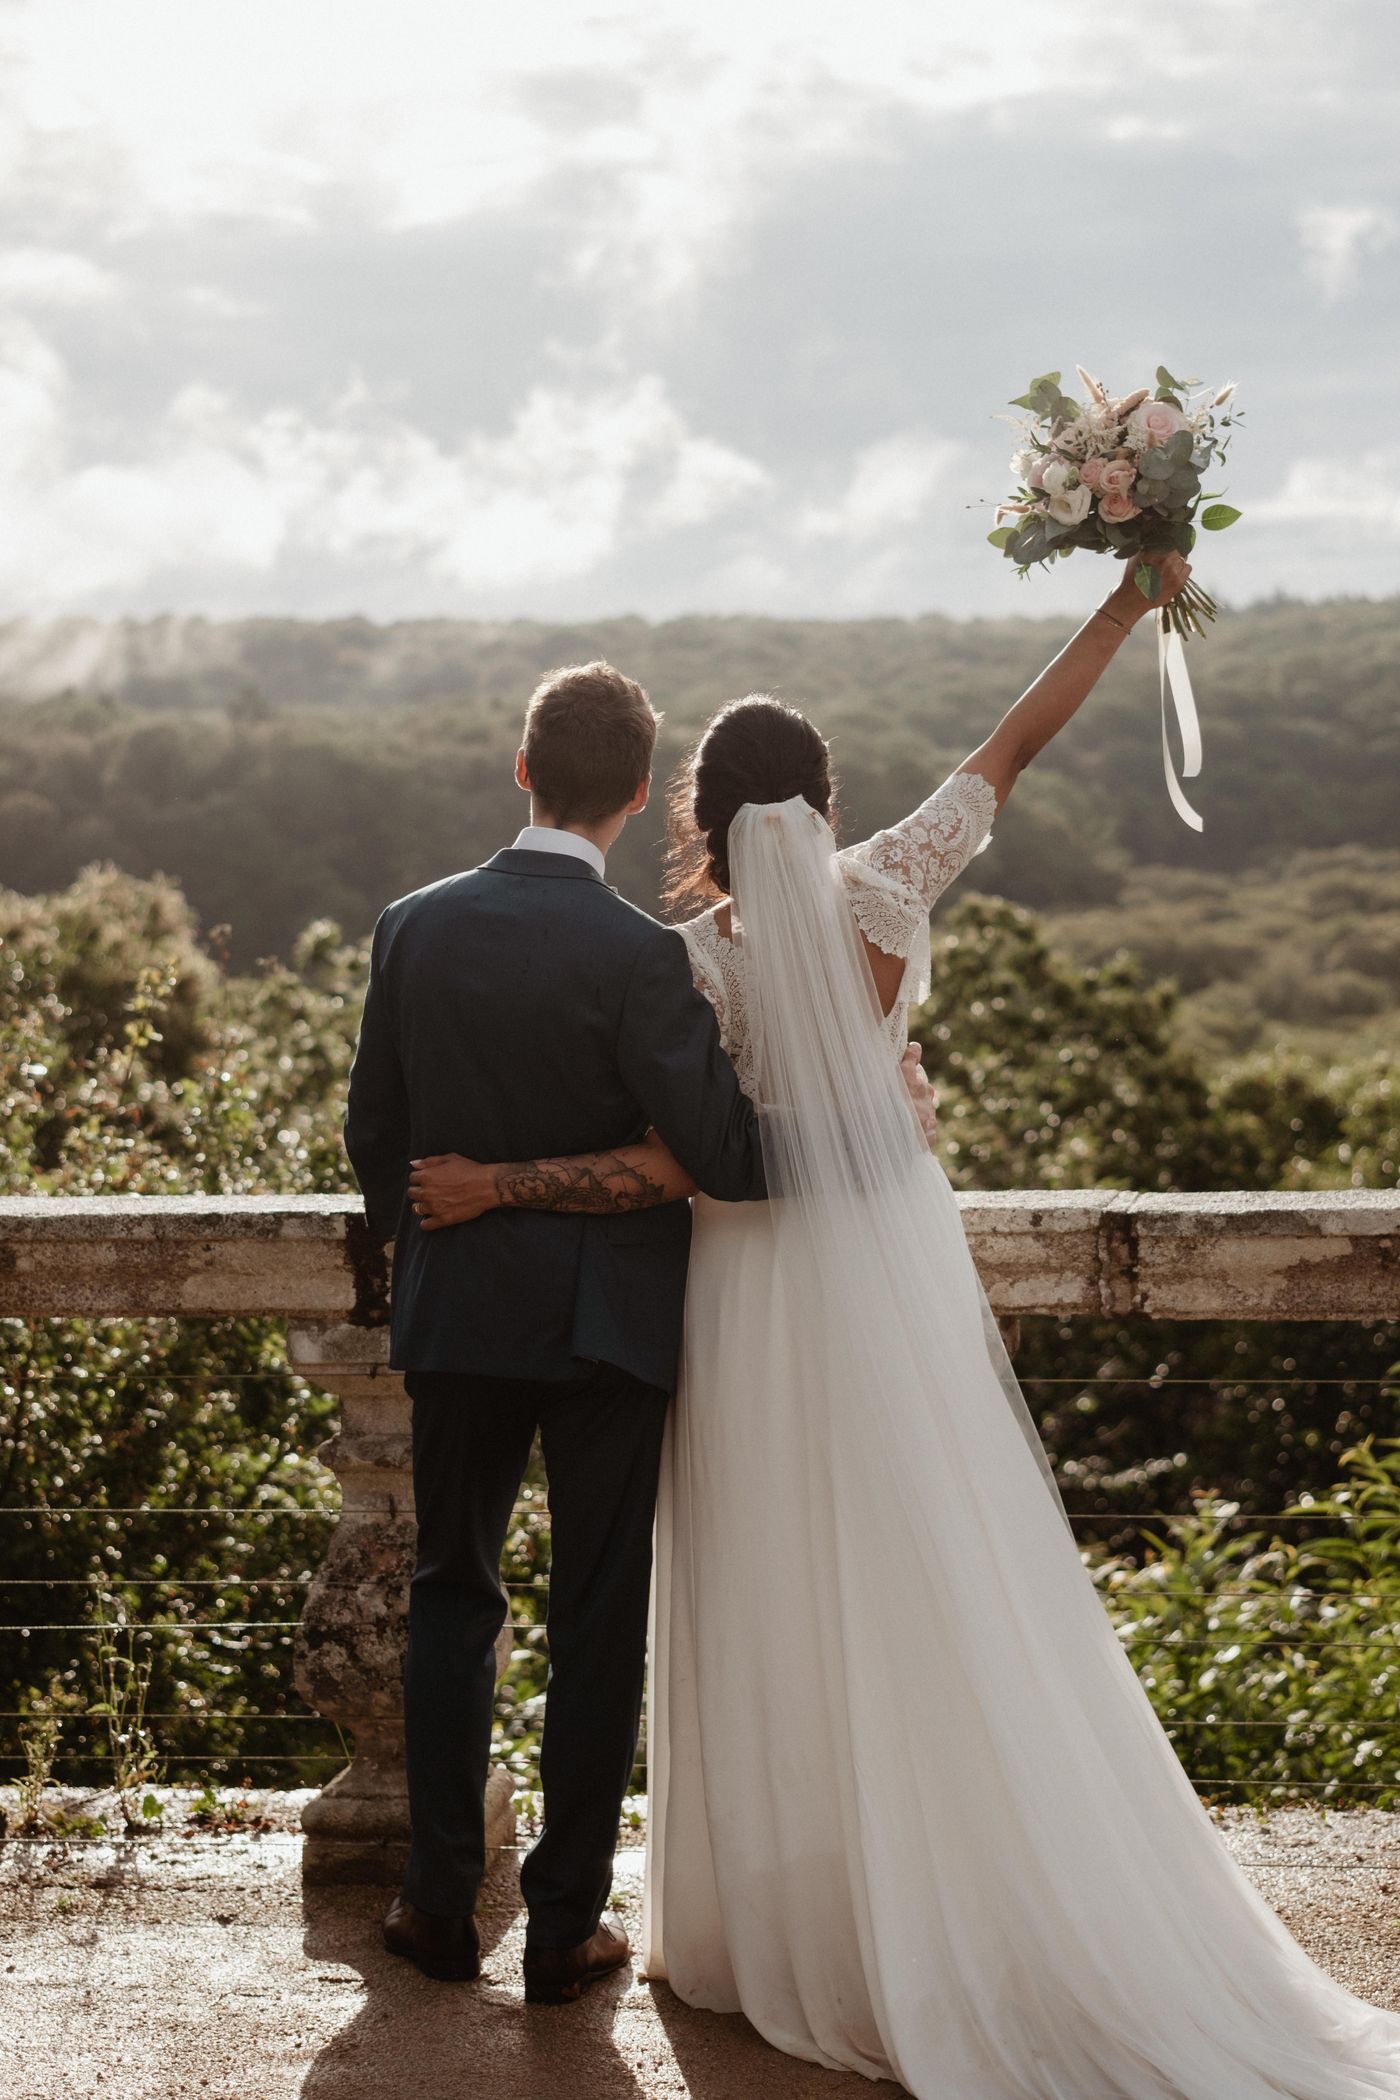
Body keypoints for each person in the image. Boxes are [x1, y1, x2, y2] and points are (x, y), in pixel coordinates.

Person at [409, 559, 1400, 2094]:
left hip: (740, 1286)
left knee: (763, 1578)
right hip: (885, 1260)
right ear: (826, 799)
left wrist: (500, 1184)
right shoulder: (891, 885)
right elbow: (1017, 741)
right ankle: (933, 1892)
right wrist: (1129, 605)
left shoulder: (686, 960)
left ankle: (766, 1920)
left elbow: (680, 1162)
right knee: (927, 1557)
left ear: (703, 821)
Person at [343, 660, 769, 2004]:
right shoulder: (642, 958)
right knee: (595, 1622)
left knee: (450, 1600)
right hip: (607, 1330)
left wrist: (442, 1227)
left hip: (459, 1305)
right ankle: (562, 1927)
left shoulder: (412, 926)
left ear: (521, 769)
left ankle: (430, 1905)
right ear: (638, 796)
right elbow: (727, 1156)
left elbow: (375, 1140)